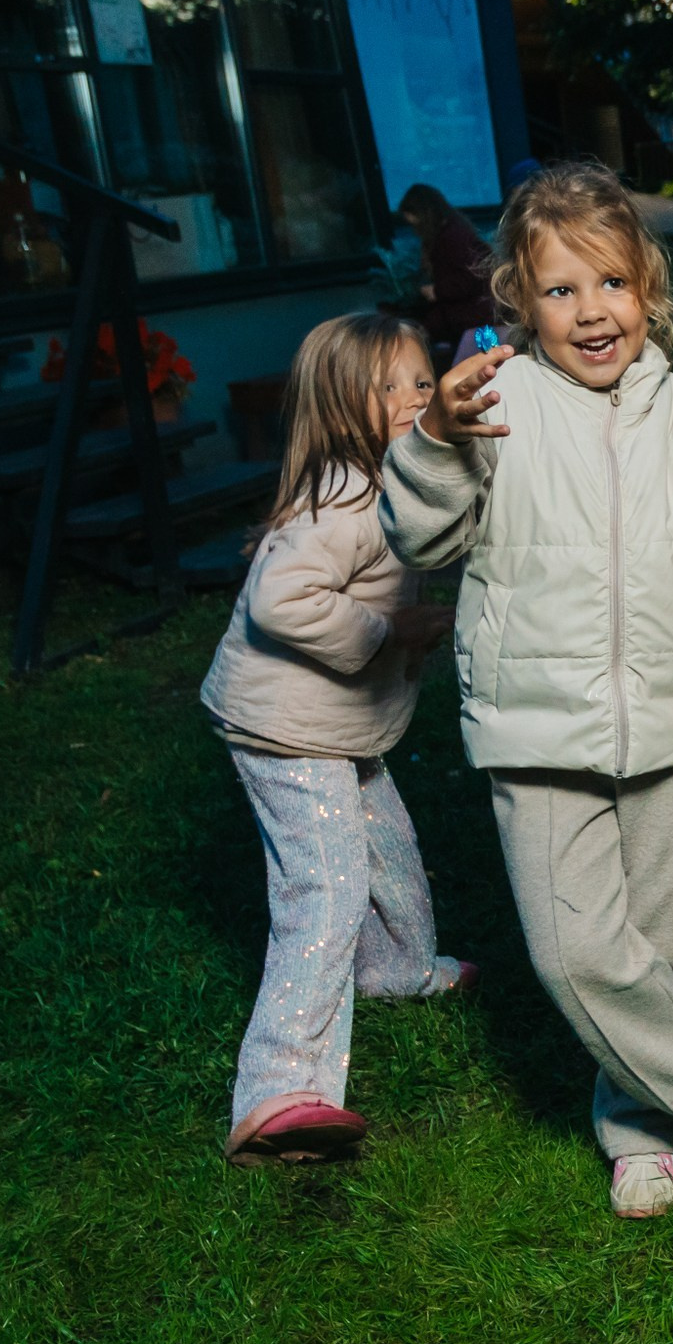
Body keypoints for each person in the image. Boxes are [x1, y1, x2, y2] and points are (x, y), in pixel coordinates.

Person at [380, 160, 673, 1220]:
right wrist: (432, 442)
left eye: (610, 283)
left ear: (649, 290)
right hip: (536, 725)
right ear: (518, 297)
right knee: (575, 958)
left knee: (670, 947)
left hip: (672, 716)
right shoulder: (491, 402)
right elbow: (419, 536)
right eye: (559, 290)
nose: (590, 311)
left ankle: (639, 1124)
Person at [201, 312, 473, 1167]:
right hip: (286, 729)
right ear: (337, 405)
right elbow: (280, 602)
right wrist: (387, 631)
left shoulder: (395, 480)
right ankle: (280, 1086)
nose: (410, 399)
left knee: (387, 846)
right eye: (386, 387)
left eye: (420, 381)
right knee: (326, 887)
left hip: (335, 728)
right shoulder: (348, 497)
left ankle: (398, 969)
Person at [396, 183, 495, 362]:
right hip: (471, 315)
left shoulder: (451, 238)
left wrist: (437, 291)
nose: (414, 228)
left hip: (471, 317)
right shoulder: (454, 231)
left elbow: (467, 280)